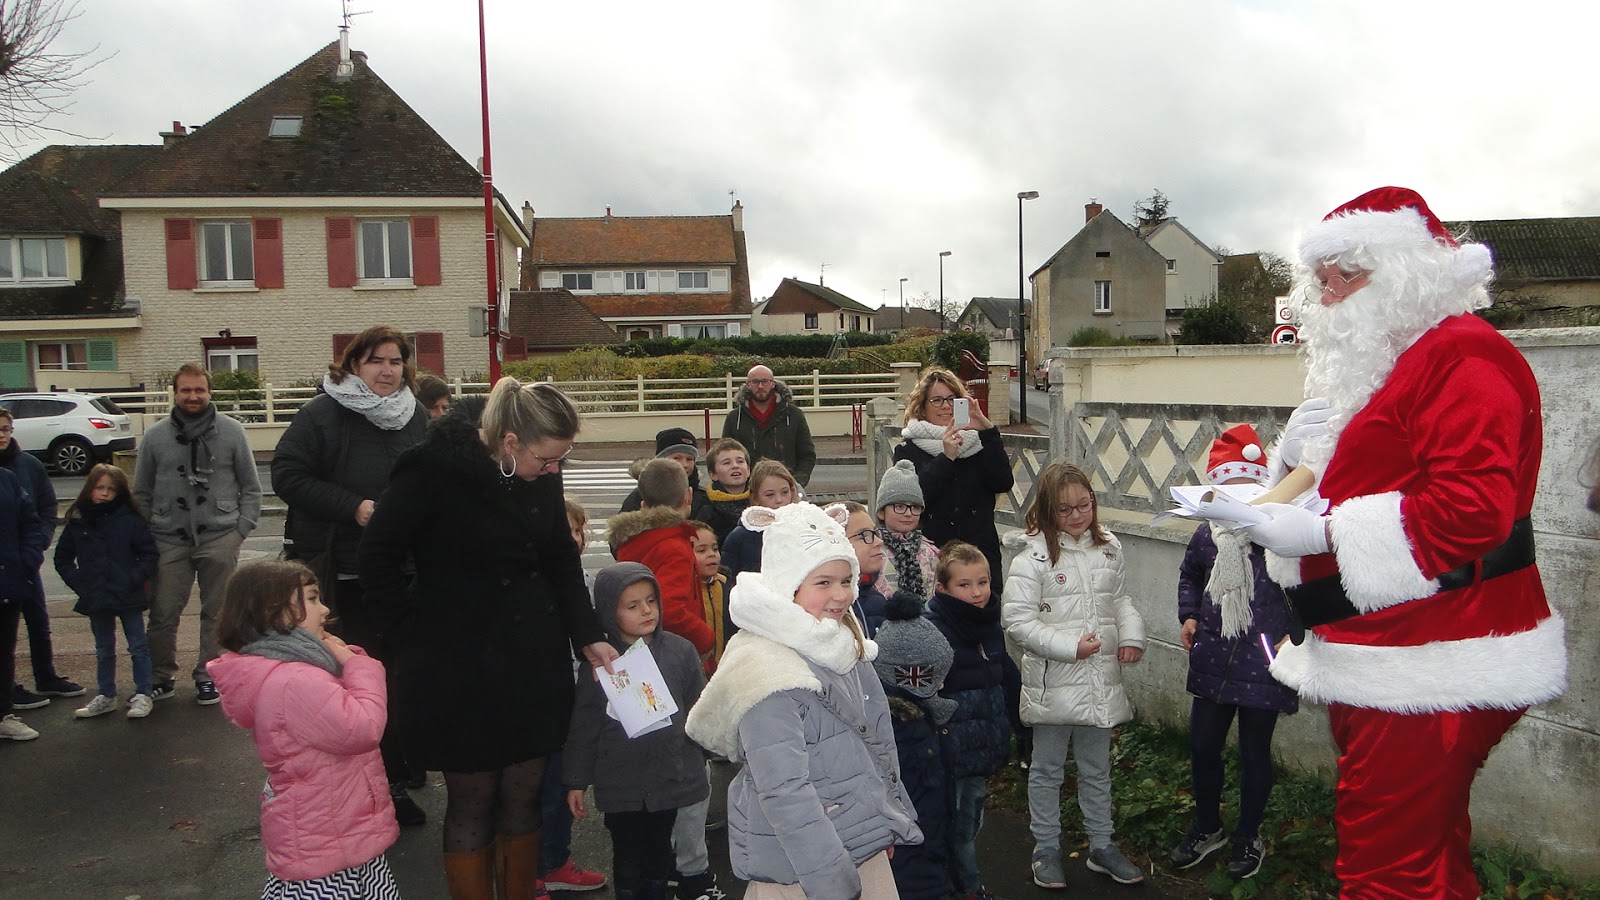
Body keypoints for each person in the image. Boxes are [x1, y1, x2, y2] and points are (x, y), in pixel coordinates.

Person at [1239, 187, 1566, 898]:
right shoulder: (1398, 362)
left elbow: (1471, 510)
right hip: (1392, 651)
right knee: (1429, 858)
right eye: (1320, 281)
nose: (1327, 299)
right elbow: (1374, 476)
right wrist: (1283, 478)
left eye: (1344, 277)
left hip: (1435, 658)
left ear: (1407, 272)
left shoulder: (1462, 356)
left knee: (1386, 874)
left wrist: (1319, 530)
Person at [358, 377, 618, 900]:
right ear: (509, 442)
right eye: (547, 459)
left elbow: (560, 560)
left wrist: (587, 635)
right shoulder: (431, 470)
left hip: (531, 661)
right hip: (458, 666)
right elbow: (377, 556)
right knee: (473, 799)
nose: (553, 471)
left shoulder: (540, 472)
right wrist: (413, 632)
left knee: (523, 795)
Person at [686, 501, 921, 899]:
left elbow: (878, 738)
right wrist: (832, 883)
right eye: (823, 582)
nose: (840, 595)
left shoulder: (842, 644)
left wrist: (888, 817)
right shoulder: (767, 671)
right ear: (786, 585)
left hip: (861, 841)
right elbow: (784, 793)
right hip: (803, 872)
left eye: (846, 580)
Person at [272, 324, 430, 826]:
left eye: (396, 361)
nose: (387, 371)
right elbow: (287, 474)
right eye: (375, 361)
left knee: (402, 670)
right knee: (361, 674)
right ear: (353, 365)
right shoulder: (323, 414)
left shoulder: (415, 415)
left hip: (404, 568)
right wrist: (354, 507)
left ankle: (400, 759)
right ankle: (383, 784)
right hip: (345, 569)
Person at [206, 559, 400, 898]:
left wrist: (343, 657)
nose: (324, 609)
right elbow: (362, 728)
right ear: (275, 611)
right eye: (311, 599)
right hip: (329, 838)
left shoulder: (293, 667)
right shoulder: (295, 679)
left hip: (333, 829)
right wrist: (360, 666)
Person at [1004, 462, 1146, 889]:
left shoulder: (1108, 547)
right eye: (1066, 510)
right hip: (1053, 684)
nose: (1079, 515)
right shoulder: (1032, 557)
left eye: (1085, 505)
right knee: (1047, 770)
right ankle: (1045, 848)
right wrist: (1069, 648)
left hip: (1099, 681)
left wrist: (1133, 635)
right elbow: (1016, 622)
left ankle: (1102, 845)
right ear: (1046, 510)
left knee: (1096, 768)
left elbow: (1118, 599)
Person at [1168, 425, 1298, 879]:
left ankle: (1248, 834)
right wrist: (1189, 614)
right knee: (1203, 746)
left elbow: (1305, 585)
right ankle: (1207, 827)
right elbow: (1190, 575)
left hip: (1263, 664)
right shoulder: (1207, 535)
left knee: (1254, 753)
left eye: (1246, 491)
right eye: (1226, 491)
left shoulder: (1277, 533)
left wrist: (1297, 636)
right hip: (1211, 659)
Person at [565, 563, 709, 900]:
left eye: (651, 601)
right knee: (628, 860)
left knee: (659, 856)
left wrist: (701, 756)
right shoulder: (600, 665)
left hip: (667, 779)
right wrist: (575, 781)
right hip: (621, 784)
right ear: (607, 611)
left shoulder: (680, 651)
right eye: (633, 606)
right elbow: (584, 728)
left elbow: (699, 710)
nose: (647, 611)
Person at [134, 363, 262, 706]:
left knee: (217, 612)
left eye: (199, 390)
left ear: (209, 392)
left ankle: (210, 675)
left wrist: (240, 530)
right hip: (167, 537)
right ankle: (160, 676)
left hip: (219, 536)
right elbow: (141, 491)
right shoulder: (155, 436)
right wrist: (147, 533)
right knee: (162, 612)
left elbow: (251, 488)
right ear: (175, 393)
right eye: (186, 390)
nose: (193, 396)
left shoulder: (232, 431)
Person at [926, 541, 1018, 900]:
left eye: (983, 582)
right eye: (964, 585)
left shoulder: (987, 623)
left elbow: (999, 676)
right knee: (955, 827)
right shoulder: (934, 630)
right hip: (950, 751)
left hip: (980, 747)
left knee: (971, 821)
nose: (977, 592)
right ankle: (967, 888)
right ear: (942, 588)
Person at [538, 498, 611, 895]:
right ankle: (535, 867)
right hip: (545, 696)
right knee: (544, 788)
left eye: (578, 531)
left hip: (577, 694)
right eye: (564, 531)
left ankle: (555, 858)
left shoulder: (578, 575)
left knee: (566, 780)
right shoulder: (538, 580)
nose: (574, 539)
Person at [893, 367, 1013, 598]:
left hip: (980, 558)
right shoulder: (908, 450)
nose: (946, 406)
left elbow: (1002, 481)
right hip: (935, 560)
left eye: (951, 399)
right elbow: (914, 498)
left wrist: (987, 429)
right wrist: (946, 458)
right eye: (937, 400)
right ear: (922, 407)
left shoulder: (978, 443)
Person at [54, 464, 160, 720]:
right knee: (104, 647)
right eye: (99, 488)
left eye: (110, 489)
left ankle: (143, 692)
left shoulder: (130, 520)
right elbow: (62, 558)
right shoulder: (78, 521)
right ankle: (106, 694)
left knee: (137, 645)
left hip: (127, 593)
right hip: (96, 594)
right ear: (89, 489)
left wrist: (134, 578)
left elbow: (149, 553)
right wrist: (81, 584)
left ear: (119, 492)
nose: (104, 493)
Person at [872, 590, 958, 900]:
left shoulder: (916, 721)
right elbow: (919, 823)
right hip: (916, 876)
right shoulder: (909, 735)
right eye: (938, 676)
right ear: (915, 676)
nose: (945, 684)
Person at [1, 407, 83, 710]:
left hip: (26, 561)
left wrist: (37, 546)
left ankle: (46, 677)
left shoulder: (29, 466)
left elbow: (46, 508)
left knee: (38, 620)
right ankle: (7, 690)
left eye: (5, 429)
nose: (1, 434)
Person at [608, 458, 715, 668]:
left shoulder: (632, 540)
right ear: (688, 496)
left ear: (643, 505)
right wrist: (705, 638)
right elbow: (671, 609)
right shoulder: (674, 546)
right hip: (674, 652)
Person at [0, 463, 49, 741]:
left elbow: (30, 522)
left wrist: (27, 561)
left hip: (9, 581)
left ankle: (3, 714)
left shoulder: (7, 480)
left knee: (4, 652)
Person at [721, 365, 816, 488]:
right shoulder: (734, 418)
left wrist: (796, 483)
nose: (760, 386)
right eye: (755, 382)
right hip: (747, 490)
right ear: (748, 384)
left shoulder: (794, 415)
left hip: (786, 490)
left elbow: (807, 455)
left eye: (765, 381)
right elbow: (724, 455)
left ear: (773, 383)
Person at [720, 459, 799, 595]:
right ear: (755, 498)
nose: (779, 500)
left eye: (784, 492)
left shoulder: (805, 528)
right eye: (769, 495)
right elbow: (728, 582)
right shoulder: (740, 536)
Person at [874, 460, 939, 601]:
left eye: (915, 507)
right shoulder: (873, 550)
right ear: (881, 512)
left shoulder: (930, 553)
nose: (908, 513)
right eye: (899, 506)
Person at [621, 427, 706, 514]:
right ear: (661, 460)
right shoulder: (640, 496)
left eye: (689, 459)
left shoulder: (703, 498)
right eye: (676, 458)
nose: (684, 464)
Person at [841, 501, 890, 636]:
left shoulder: (877, 601)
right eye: (864, 535)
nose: (879, 542)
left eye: (874, 533)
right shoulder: (824, 607)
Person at [689, 438, 751, 544]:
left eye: (740, 461)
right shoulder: (706, 509)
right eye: (726, 463)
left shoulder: (759, 501)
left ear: (749, 470)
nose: (735, 466)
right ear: (713, 474)